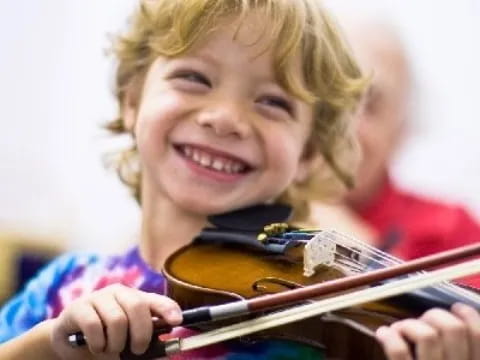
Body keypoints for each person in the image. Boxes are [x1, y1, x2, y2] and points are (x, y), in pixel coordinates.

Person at [0, 1, 479, 359]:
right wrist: (53, 345)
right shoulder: (66, 285)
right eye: (194, 78)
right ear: (131, 99)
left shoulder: (316, 322)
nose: (226, 118)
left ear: (309, 152)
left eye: (273, 102)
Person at [311, 18, 480, 288]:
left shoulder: (454, 231)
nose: (344, 126)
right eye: (329, 99)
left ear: (401, 129)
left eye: (371, 104)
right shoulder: (244, 200)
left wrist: (367, 255)